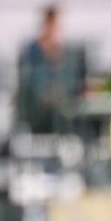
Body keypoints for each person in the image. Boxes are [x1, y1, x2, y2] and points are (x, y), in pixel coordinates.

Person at [15, 7, 86, 137]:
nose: (54, 30)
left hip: (64, 121)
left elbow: (74, 86)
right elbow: (26, 88)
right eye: (51, 24)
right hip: (38, 120)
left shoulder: (67, 55)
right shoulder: (32, 55)